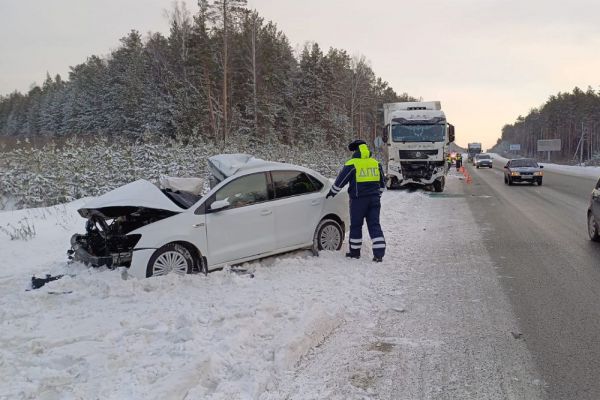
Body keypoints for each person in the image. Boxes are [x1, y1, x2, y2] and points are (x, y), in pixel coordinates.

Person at [326, 140, 386, 262]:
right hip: (374, 200)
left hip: (358, 201)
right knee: (375, 225)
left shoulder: (352, 164)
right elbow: (382, 183)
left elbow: (340, 181)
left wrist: (332, 192)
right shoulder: (376, 163)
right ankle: (379, 255)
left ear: (355, 151)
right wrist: (377, 195)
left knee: (356, 226)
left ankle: (354, 253)